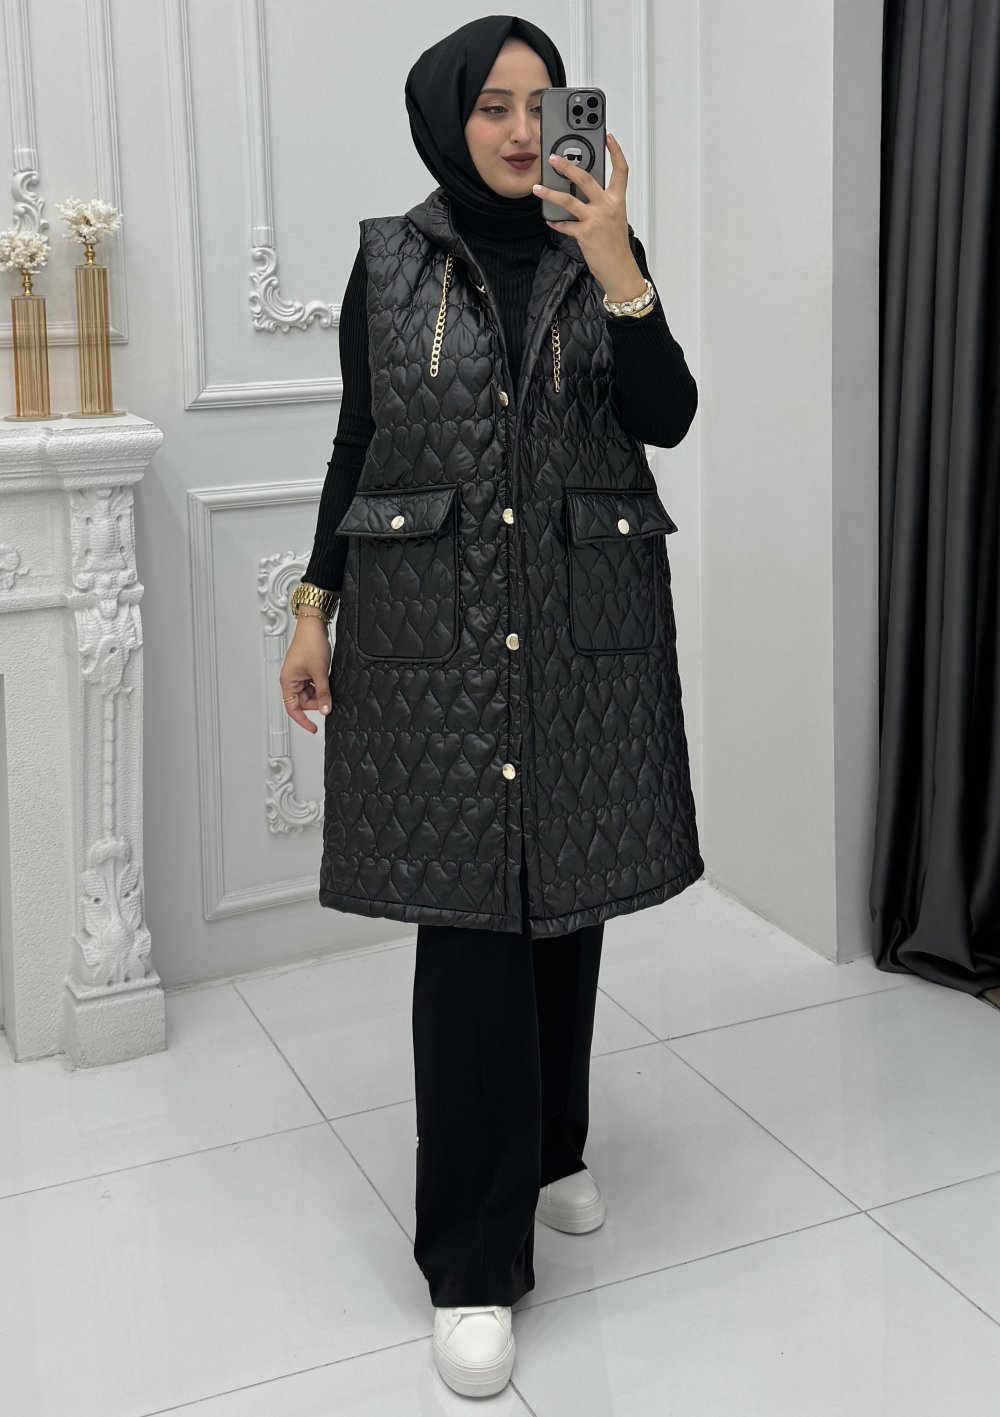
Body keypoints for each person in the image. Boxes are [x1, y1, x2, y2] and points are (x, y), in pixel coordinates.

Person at [279, 14, 702, 1401]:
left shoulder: (600, 246)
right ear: (446, 119)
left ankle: (554, 1146)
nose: (524, 131)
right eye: (494, 107)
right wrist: (314, 604)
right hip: (438, 636)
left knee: (565, 902)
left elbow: (668, 413)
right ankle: (470, 1258)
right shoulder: (390, 261)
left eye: (544, 102)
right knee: (469, 933)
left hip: (581, 625)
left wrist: (620, 265)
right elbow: (360, 439)